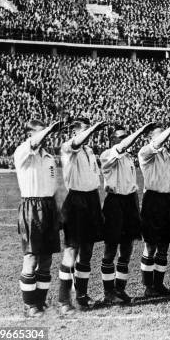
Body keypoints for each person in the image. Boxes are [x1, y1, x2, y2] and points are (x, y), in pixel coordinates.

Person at [13, 119, 63, 317]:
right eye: (41, 132)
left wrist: (58, 211)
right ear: (30, 134)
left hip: (49, 207)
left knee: (47, 258)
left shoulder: (49, 157)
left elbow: (54, 187)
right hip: (31, 207)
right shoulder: (23, 152)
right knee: (32, 257)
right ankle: (29, 305)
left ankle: (41, 302)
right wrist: (50, 128)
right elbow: (34, 143)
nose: (46, 136)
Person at [99, 124, 153, 304]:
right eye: (120, 137)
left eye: (125, 137)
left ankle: (120, 289)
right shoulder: (107, 155)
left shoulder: (129, 159)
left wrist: (137, 211)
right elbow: (121, 148)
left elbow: (132, 186)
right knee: (110, 248)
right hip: (114, 203)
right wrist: (140, 131)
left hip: (129, 202)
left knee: (127, 248)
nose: (124, 140)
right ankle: (108, 292)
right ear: (112, 141)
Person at [58, 118, 107, 314]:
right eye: (86, 130)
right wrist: (94, 128)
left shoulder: (89, 151)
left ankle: (82, 295)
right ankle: (64, 299)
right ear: (75, 132)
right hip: (75, 200)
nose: (90, 133)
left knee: (87, 250)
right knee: (72, 250)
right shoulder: (68, 147)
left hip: (92, 200)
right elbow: (76, 143)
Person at [139, 119, 170, 296]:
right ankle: (148, 286)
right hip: (153, 200)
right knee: (150, 245)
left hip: (168, 201)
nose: (165, 136)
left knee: (164, 245)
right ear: (150, 137)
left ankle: (159, 284)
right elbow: (157, 144)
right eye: (160, 133)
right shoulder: (145, 152)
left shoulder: (167, 155)